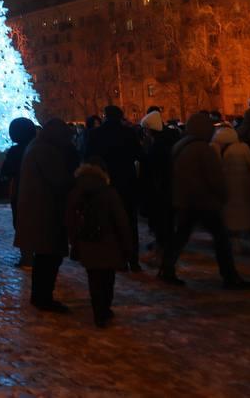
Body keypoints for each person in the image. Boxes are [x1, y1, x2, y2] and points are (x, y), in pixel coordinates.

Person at [159, 113, 250, 289]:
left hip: (185, 200)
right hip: (204, 201)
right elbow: (215, 178)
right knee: (221, 239)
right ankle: (230, 276)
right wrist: (223, 196)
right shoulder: (204, 149)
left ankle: (167, 268)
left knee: (180, 237)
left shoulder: (180, 146)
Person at [16, 119, 78, 312]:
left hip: (39, 211)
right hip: (46, 213)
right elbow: (59, 181)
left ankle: (40, 296)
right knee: (49, 258)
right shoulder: (46, 151)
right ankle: (43, 297)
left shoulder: (37, 146)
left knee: (44, 258)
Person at [65, 161, 133, 328]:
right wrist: (127, 245)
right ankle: (105, 308)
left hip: (87, 242)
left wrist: (74, 242)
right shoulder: (109, 193)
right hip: (109, 242)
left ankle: (98, 312)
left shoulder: (76, 193)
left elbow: (70, 221)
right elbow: (121, 220)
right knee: (108, 277)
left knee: (93, 278)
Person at [84, 105, 143, 271]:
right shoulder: (129, 133)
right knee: (130, 222)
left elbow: (88, 156)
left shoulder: (95, 134)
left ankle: (117, 257)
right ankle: (133, 259)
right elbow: (139, 154)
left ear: (104, 116)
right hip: (127, 182)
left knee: (109, 221)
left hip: (105, 183)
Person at [210, 126, 250, 255]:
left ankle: (236, 244)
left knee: (231, 218)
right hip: (246, 187)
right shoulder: (243, 148)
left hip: (228, 188)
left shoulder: (214, 148)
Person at [138, 109, 176, 258]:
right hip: (163, 188)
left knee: (162, 220)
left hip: (160, 189)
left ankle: (163, 249)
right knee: (164, 220)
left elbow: (155, 168)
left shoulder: (157, 147)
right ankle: (164, 245)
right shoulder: (161, 143)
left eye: (145, 129)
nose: (144, 132)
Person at [0, 117, 37, 267]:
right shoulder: (38, 147)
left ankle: (26, 255)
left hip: (20, 191)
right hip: (37, 191)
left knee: (20, 222)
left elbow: (6, 172)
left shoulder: (15, 151)